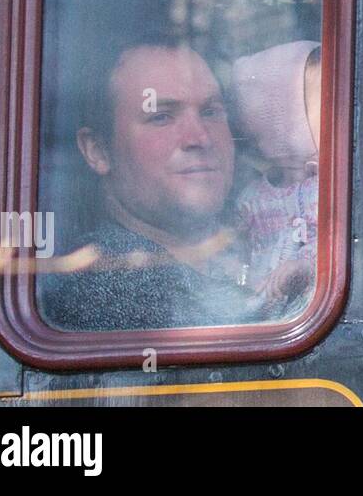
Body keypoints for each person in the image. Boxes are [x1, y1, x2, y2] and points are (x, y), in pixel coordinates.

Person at [43, 39, 268, 331]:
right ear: (98, 150)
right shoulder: (113, 285)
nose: (199, 137)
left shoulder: (254, 235)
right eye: (161, 117)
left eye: (211, 112)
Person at [230, 41, 321, 312]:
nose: (341, 114)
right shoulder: (251, 199)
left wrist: (309, 267)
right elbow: (236, 250)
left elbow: (349, 248)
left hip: (314, 310)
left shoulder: (332, 189)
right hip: (263, 309)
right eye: (324, 103)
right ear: (285, 119)